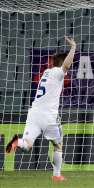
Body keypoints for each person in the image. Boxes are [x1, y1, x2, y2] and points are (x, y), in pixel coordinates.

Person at [6, 36, 77, 181]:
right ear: (61, 64)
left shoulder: (45, 73)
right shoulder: (58, 73)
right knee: (58, 145)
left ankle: (16, 142)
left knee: (27, 145)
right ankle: (57, 175)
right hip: (49, 116)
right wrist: (73, 47)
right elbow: (67, 65)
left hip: (33, 114)